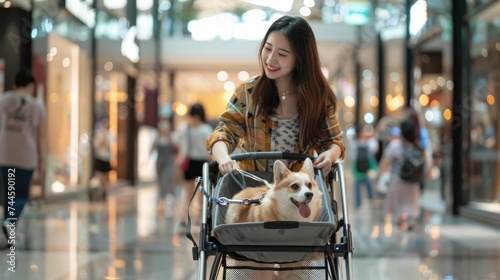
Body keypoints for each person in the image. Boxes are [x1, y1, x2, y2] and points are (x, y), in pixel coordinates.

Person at [206, 15, 345, 177]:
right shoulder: (247, 92)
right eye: (268, 48)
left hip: (296, 193)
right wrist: (224, 159)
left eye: (282, 54)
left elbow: (333, 142)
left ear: (299, 59)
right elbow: (224, 133)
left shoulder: (318, 98)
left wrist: (330, 156)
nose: (270, 59)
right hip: (253, 190)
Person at [0, 68, 46, 246]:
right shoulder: (37, 106)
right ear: (32, 86)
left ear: (14, 84)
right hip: (26, 156)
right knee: (21, 196)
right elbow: (41, 136)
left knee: (9, 195)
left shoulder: (3, 100)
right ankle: (9, 224)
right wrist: (42, 161)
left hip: (5, 154)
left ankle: (7, 233)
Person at [172, 103, 213, 246]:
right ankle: (200, 221)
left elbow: (179, 146)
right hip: (202, 163)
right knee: (203, 195)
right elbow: (209, 150)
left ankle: (185, 220)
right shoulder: (206, 129)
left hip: (189, 163)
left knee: (187, 194)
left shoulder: (185, 128)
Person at [378, 119, 429, 230]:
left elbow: (383, 165)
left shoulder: (395, 145)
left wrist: (381, 176)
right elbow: (427, 168)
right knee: (410, 211)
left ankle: (401, 233)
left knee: (398, 213)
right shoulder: (419, 147)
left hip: (398, 183)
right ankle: (406, 228)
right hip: (413, 185)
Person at [152, 117, 178, 217]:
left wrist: (168, 136)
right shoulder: (157, 135)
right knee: (160, 181)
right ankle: (162, 201)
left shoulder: (172, 135)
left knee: (167, 180)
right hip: (159, 161)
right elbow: (153, 147)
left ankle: (165, 203)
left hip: (169, 161)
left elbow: (176, 147)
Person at [351, 126, 378, 209]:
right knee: (359, 188)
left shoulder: (367, 143)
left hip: (366, 169)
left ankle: (370, 201)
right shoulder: (355, 144)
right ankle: (358, 204)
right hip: (358, 169)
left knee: (369, 186)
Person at [92, 117, 113, 201]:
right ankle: (101, 189)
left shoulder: (109, 134)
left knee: (105, 175)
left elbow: (107, 144)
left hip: (105, 157)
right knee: (98, 174)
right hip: (99, 157)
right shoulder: (98, 134)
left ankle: (104, 189)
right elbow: (96, 145)